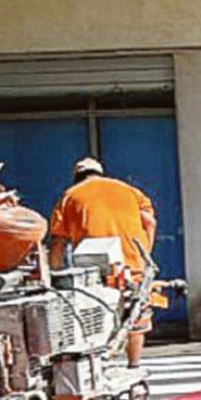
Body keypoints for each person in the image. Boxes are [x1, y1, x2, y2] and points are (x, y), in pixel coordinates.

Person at [49, 157, 157, 368]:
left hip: (93, 270)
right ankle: (134, 365)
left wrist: (54, 273)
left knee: (94, 319)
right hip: (132, 264)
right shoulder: (129, 190)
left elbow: (58, 240)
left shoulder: (70, 196)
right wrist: (145, 255)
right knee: (135, 316)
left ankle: (99, 367)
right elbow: (150, 222)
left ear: (77, 177)